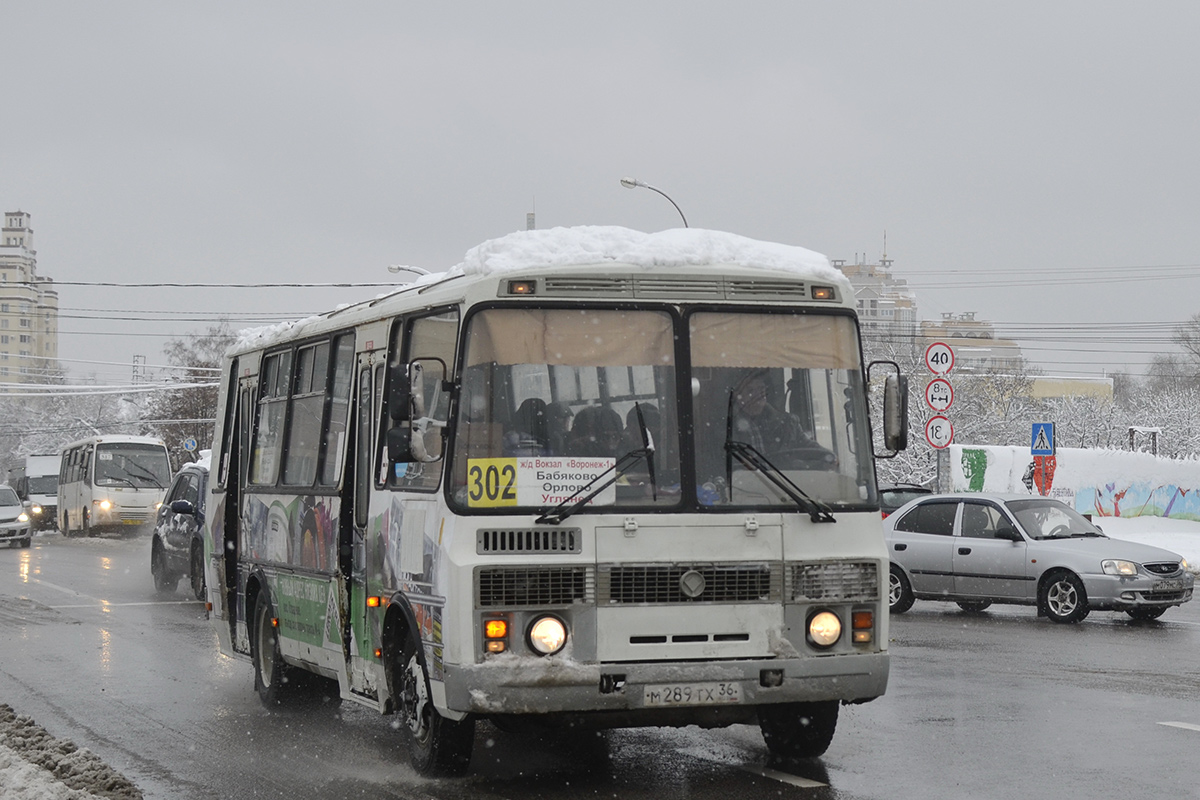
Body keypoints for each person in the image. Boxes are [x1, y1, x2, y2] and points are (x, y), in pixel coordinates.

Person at [732, 371, 831, 467]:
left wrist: (828, 457)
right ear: (737, 395)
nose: (758, 395)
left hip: (783, 483)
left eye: (761, 389)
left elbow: (807, 446)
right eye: (750, 391)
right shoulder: (726, 428)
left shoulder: (788, 423)